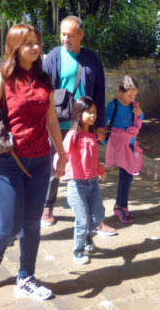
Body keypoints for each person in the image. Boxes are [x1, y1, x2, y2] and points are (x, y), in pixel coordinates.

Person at [0, 23, 66, 301]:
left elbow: (51, 119)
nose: (36, 47)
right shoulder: (2, 78)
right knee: (9, 225)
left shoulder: (44, 79)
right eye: (28, 43)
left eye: (37, 42)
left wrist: (61, 153)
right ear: (15, 46)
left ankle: (26, 277)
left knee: (32, 224)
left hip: (40, 160)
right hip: (8, 160)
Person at [42, 16, 115, 236]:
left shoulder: (92, 59)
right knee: (55, 167)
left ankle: (95, 218)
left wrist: (100, 123)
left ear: (81, 35)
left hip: (85, 125)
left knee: (89, 169)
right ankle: (47, 207)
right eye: (63, 34)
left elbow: (100, 92)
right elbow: (44, 92)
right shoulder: (54, 57)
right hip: (58, 123)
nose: (66, 39)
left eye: (71, 35)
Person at [62, 97, 108, 265]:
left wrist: (101, 171)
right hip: (76, 184)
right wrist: (59, 168)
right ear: (79, 113)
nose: (92, 115)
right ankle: (78, 250)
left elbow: (94, 159)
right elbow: (62, 154)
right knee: (82, 220)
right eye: (89, 112)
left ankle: (87, 236)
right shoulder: (73, 135)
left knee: (99, 215)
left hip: (92, 183)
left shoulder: (93, 135)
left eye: (94, 112)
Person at [105, 75, 144, 224]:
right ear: (120, 91)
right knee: (126, 175)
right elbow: (105, 123)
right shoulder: (113, 104)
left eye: (134, 95)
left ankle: (121, 206)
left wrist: (140, 113)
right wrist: (109, 142)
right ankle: (121, 207)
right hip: (119, 145)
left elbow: (139, 120)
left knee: (127, 176)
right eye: (129, 95)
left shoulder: (134, 106)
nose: (132, 98)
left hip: (130, 144)